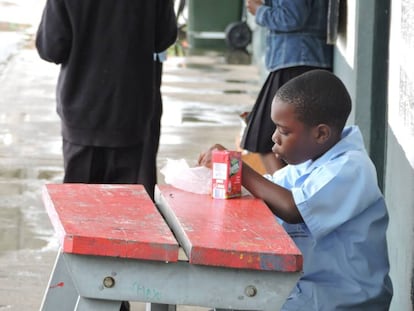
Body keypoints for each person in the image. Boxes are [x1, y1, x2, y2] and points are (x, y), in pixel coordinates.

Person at [199, 70, 393, 310]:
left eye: (284, 131)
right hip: (308, 288)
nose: (274, 138)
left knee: (231, 298)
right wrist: (222, 178)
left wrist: (238, 167)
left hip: (344, 298)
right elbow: (268, 191)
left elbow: (292, 208)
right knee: (225, 294)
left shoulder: (352, 168)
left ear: (321, 133)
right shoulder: (309, 163)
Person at [35, 0, 177, 200]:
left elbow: (51, 48)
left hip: (82, 115)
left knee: (81, 213)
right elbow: (163, 38)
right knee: (125, 215)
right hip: (130, 113)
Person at [240, 0, 333, 174]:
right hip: (303, 59)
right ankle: (287, 194)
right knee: (285, 141)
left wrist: (259, 11)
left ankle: (284, 196)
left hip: (295, 60)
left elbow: (292, 18)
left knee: (262, 138)